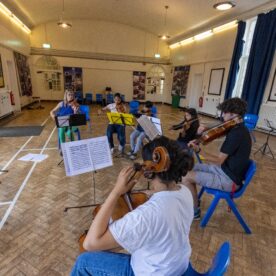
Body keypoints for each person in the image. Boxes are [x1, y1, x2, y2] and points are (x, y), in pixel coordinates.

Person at [71, 136, 194, 276]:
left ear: (150, 169)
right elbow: (164, 200)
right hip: (176, 265)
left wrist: (116, 191)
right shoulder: (184, 191)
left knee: (84, 261)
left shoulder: (147, 215)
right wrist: (150, 192)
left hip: (153, 272)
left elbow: (90, 244)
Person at [183, 97, 252, 220]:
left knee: (185, 176)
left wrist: (199, 150)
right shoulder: (239, 128)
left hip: (229, 180)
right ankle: (194, 201)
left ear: (234, 114)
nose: (222, 116)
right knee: (188, 167)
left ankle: (195, 211)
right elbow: (220, 128)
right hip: (225, 171)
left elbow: (219, 160)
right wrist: (201, 135)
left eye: (224, 112)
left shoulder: (236, 134)